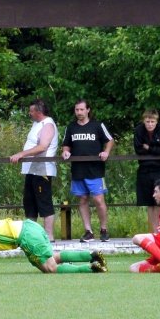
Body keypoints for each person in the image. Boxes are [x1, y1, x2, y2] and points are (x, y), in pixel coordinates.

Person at [0, 219, 107, 275]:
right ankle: (91, 255)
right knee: (49, 261)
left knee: (49, 268)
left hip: (26, 236)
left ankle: (91, 268)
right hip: (29, 229)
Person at [61, 99, 114, 242]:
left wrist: (106, 152)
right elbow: (66, 145)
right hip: (78, 169)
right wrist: (65, 152)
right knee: (83, 199)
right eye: (77, 110)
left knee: (98, 199)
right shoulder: (71, 127)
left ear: (88, 110)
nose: (79, 112)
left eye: (82, 109)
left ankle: (104, 229)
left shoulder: (97, 125)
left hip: (95, 169)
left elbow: (109, 140)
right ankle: (88, 231)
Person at [9, 99, 58, 242]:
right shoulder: (37, 124)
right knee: (29, 202)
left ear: (39, 111)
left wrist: (21, 154)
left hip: (42, 169)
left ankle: (49, 236)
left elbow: (43, 146)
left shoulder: (48, 124)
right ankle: (32, 234)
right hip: (31, 169)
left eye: (31, 111)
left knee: (44, 202)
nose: (29, 114)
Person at [133, 108, 160, 233]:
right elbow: (138, 149)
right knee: (150, 202)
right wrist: (156, 149)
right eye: (147, 121)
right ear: (144, 121)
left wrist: (149, 147)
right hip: (144, 169)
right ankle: (153, 232)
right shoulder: (139, 131)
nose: (150, 124)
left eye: (152, 121)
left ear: (156, 121)